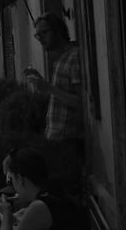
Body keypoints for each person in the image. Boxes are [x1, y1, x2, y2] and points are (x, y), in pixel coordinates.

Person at [23, 13, 83, 154]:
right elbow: (62, 94)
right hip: (56, 139)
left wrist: (49, 88)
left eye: (44, 33)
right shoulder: (61, 59)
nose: (41, 39)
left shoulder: (74, 57)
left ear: (58, 31)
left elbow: (82, 103)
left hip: (69, 141)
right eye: (38, 35)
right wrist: (43, 82)